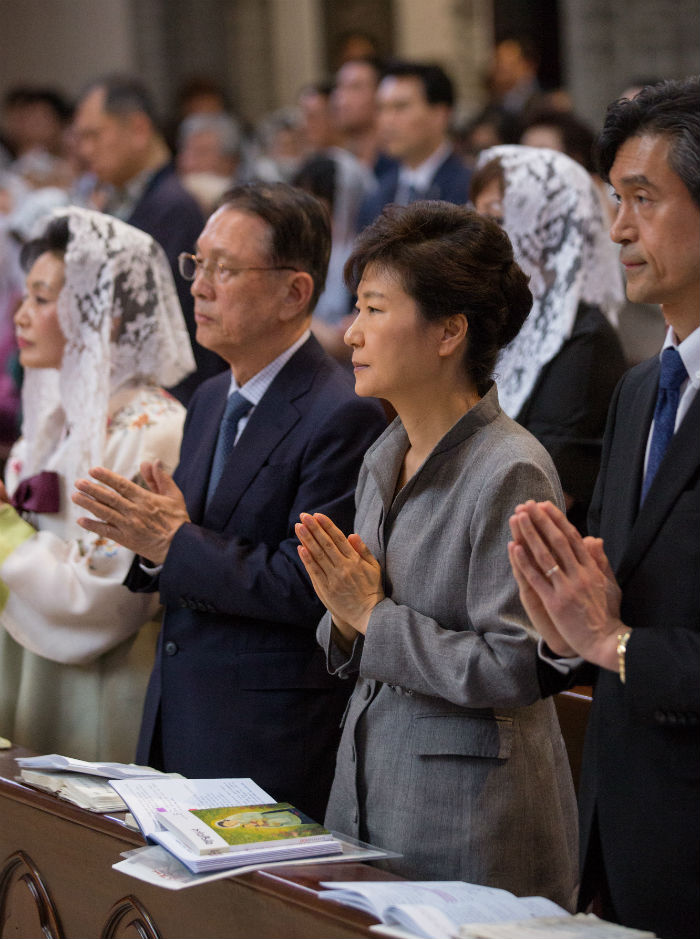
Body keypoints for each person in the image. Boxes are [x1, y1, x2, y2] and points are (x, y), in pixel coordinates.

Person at [71, 183, 386, 820]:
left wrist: (174, 543)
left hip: (265, 730)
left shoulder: (341, 413)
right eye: (197, 264)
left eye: (225, 268)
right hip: (178, 705)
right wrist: (155, 550)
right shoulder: (212, 395)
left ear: (295, 292)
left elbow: (311, 586)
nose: (199, 285)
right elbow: (187, 541)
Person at [295, 201, 577, 905]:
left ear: (450, 330)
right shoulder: (384, 452)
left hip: (471, 806)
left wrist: (370, 614)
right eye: (356, 309)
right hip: (369, 778)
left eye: (374, 309)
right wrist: (345, 614)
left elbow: (518, 662)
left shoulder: (512, 467)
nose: (352, 333)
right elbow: (360, 628)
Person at [508, 77, 700, 939]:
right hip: (625, 833)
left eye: (643, 200)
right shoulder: (637, 391)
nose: (617, 228)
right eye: (612, 201)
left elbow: (620, 636)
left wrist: (613, 643)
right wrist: (560, 627)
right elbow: (605, 612)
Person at [0, 207, 194, 762]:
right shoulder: (56, 413)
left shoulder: (151, 426)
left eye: (41, 299)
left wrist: (4, 531)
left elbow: (104, 595)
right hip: (23, 652)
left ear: (101, 316)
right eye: (26, 295)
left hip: (98, 677)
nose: (20, 316)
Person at [471, 145, 627, 531]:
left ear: (549, 223)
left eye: (496, 218)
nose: (477, 238)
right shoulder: (492, 316)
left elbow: (542, 501)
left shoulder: (585, 340)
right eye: (476, 218)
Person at [73, 74, 224, 403]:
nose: (85, 150)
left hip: (166, 399)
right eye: (80, 138)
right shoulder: (122, 200)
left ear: (139, 130)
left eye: (94, 135)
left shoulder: (173, 207)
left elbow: (152, 325)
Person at [357, 62, 471, 229]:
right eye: (381, 108)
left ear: (440, 115)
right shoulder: (376, 195)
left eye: (400, 107)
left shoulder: (468, 189)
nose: (386, 121)